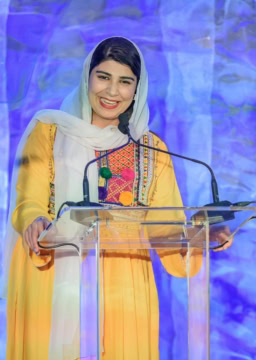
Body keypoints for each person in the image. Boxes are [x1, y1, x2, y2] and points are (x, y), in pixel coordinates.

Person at [4, 36, 229, 359]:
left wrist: (198, 236)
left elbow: (163, 228)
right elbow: (30, 198)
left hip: (126, 288)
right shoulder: (49, 131)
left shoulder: (151, 148)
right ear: (88, 77)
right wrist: (36, 221)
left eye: (125, 82)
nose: (112, 92)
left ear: (137, 89)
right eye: (104, 77)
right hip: (56, 275)